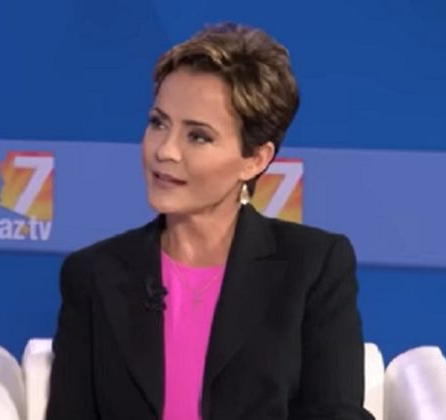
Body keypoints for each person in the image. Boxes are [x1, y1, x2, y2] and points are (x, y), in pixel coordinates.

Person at [46, 22, 374, 420]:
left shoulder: (314, 267)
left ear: (255, 159)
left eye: (198, 136)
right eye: (158, 123)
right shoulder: (93, 274)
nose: (165, 151)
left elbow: (335, 413)